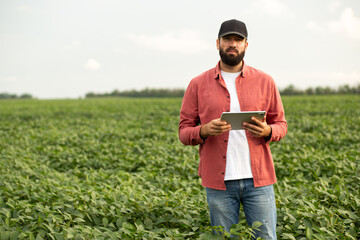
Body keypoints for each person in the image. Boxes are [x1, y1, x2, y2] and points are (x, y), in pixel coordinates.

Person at [178, 19, 287, 239]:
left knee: (266, 237)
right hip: (219, 183)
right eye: (228, 39)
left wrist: (266, 131)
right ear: (217, 43)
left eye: (238, 39)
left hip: (259, 181)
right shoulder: (198, 84)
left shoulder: (265, 81)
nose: (233, 44)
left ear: (246, 44)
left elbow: (281, 125)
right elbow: (183, 131)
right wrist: (203, 131)